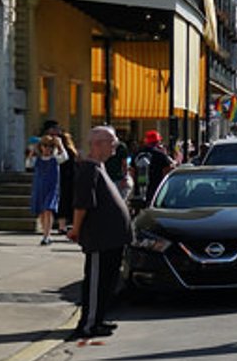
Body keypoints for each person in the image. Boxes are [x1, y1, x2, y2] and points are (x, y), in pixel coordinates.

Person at [68, 126, 132, 337]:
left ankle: (99, 318)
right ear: (98, 144)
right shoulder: (88, 170)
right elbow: (82, 205)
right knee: (96, 283)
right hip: (100, 239)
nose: (115, 146)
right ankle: (88, 324)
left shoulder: (100, 167)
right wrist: (76, 229)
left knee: (108, 282)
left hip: (112, 240)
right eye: (111, 142)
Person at [28, 132, 68, 243]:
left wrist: (60, 145)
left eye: (50, 146)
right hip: (39, 188)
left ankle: (47, 235)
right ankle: (45, 233)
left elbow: (65, 157)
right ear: (41, 147)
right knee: (41, 211)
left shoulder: (55, 159)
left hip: (52, 188)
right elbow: (28, 164)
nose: (47, 149)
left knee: (48, 210)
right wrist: (33, 150)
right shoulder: (38, 160)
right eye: (45, 146)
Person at [128, 129, 174, 212]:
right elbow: (167, 171)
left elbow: (132, 171)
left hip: (139, 188)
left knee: (139, 210)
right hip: (156, 188)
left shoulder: (137, 153)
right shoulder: (160, 154)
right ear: (158, 141)